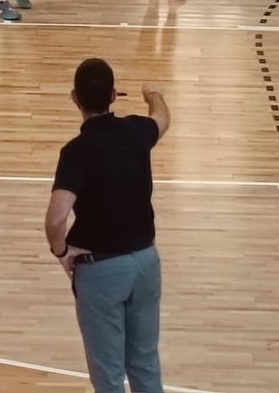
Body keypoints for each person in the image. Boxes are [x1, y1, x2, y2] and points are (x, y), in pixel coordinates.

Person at [45, 58, 170, 393]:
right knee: (145, 363)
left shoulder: (76, 152)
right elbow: (162, 118)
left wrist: (61, 251)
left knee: (108, 375)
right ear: (114, 95)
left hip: (101, 272)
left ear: (75, 98)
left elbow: (57, 217)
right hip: (146, 263)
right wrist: (153, 93)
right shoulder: (137, 132)